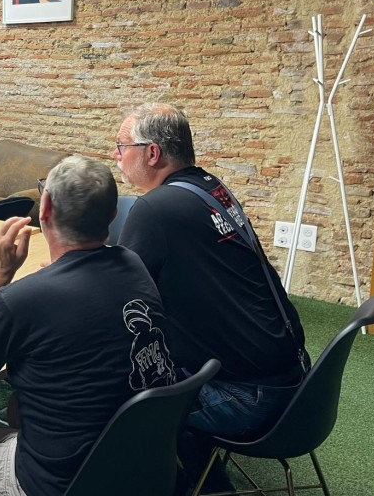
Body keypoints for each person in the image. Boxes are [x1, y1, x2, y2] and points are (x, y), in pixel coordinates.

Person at [0, 155, 175, 496]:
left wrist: (0, 276)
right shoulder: (133, 262)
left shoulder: (22, 300)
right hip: (142, 462)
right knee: (18, 405)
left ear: (45, 207)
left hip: (64, 483)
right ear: (113, 214)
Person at [113, 103, 308, 486]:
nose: (116, 156)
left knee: (114, 390)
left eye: (122, 146)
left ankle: (197, 483)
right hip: (296, 379)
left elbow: (114, 297)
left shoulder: (155, 208)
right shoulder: (209, 187)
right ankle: (203, 473)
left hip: (250, 397)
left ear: (152, 153)